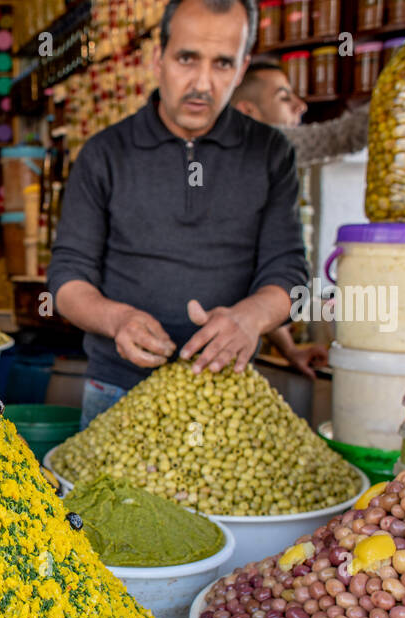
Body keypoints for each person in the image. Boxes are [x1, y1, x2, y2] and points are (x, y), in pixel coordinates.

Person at [47, 0, 310, 427]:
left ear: (242, 69)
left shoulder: (270, 153)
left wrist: (249, 318)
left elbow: (290, 272)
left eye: (222, 64)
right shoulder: (104, 154)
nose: (202, 84)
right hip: (117, 392)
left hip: (229, 391)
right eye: (187, 59)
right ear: (158, 59)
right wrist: (117, 320)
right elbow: (67, 278)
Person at [230, 58, 328, 377]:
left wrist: (290, 349)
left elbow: (257, 277)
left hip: (230, 364)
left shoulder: (269, 177)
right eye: (284, 97)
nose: (300, 106)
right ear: (248, 112)